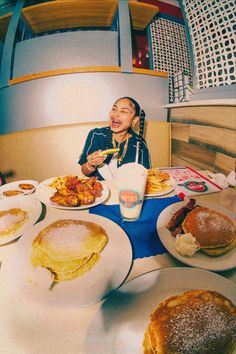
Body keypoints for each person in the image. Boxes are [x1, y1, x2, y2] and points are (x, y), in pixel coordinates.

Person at [78, 96, 151, 180]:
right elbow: (85, 172)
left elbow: (145, 175)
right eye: (114, 109)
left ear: (135, 120)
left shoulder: (139, 144)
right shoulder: (97, 135)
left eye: (124, 111)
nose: (116, 114)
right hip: (100, 190)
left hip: (128, 190)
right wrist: (90, 164)